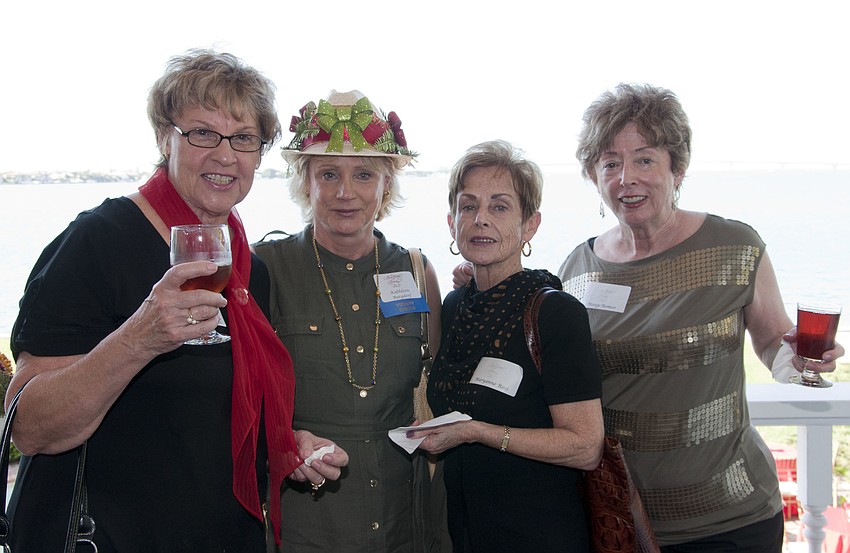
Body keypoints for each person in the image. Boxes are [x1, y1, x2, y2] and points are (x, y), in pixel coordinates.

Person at [4, 49, 347, 552]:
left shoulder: (248, 271)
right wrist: (138, 339)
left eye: (244, 138)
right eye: (203, 133)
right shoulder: (98, 242)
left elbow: (204, 415)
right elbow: (29, 427)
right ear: (165, 138)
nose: (225, 155)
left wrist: (285, 446)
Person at [557, 83, 845, 551]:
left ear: (678, 167)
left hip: (732, 519)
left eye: (644, 160)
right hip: (622, 521)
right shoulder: (577, 269)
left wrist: (799, 362)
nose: (626, 178)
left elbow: (772, 341)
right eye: (610, 163)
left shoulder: (735, 247)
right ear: (595, 176)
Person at [252, 90, 445, 553]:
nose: (345, 192)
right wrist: (284, 440)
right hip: (304, 527)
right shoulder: (264, 269)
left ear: (386, 185)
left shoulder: (417, 271)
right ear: (305, 182)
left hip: (405, 525)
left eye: (363, 174)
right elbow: (236, 402)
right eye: (328, 174)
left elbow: (433, 386)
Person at [414, 140, 604, 552]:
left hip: (539, 535)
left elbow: (586, 447)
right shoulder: (456, 305)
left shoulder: (556, 314)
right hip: (463, 535)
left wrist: (477, 432)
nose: (480, 219)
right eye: (468, 206)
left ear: (530, 225)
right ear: (451, 222)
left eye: (499, 207)